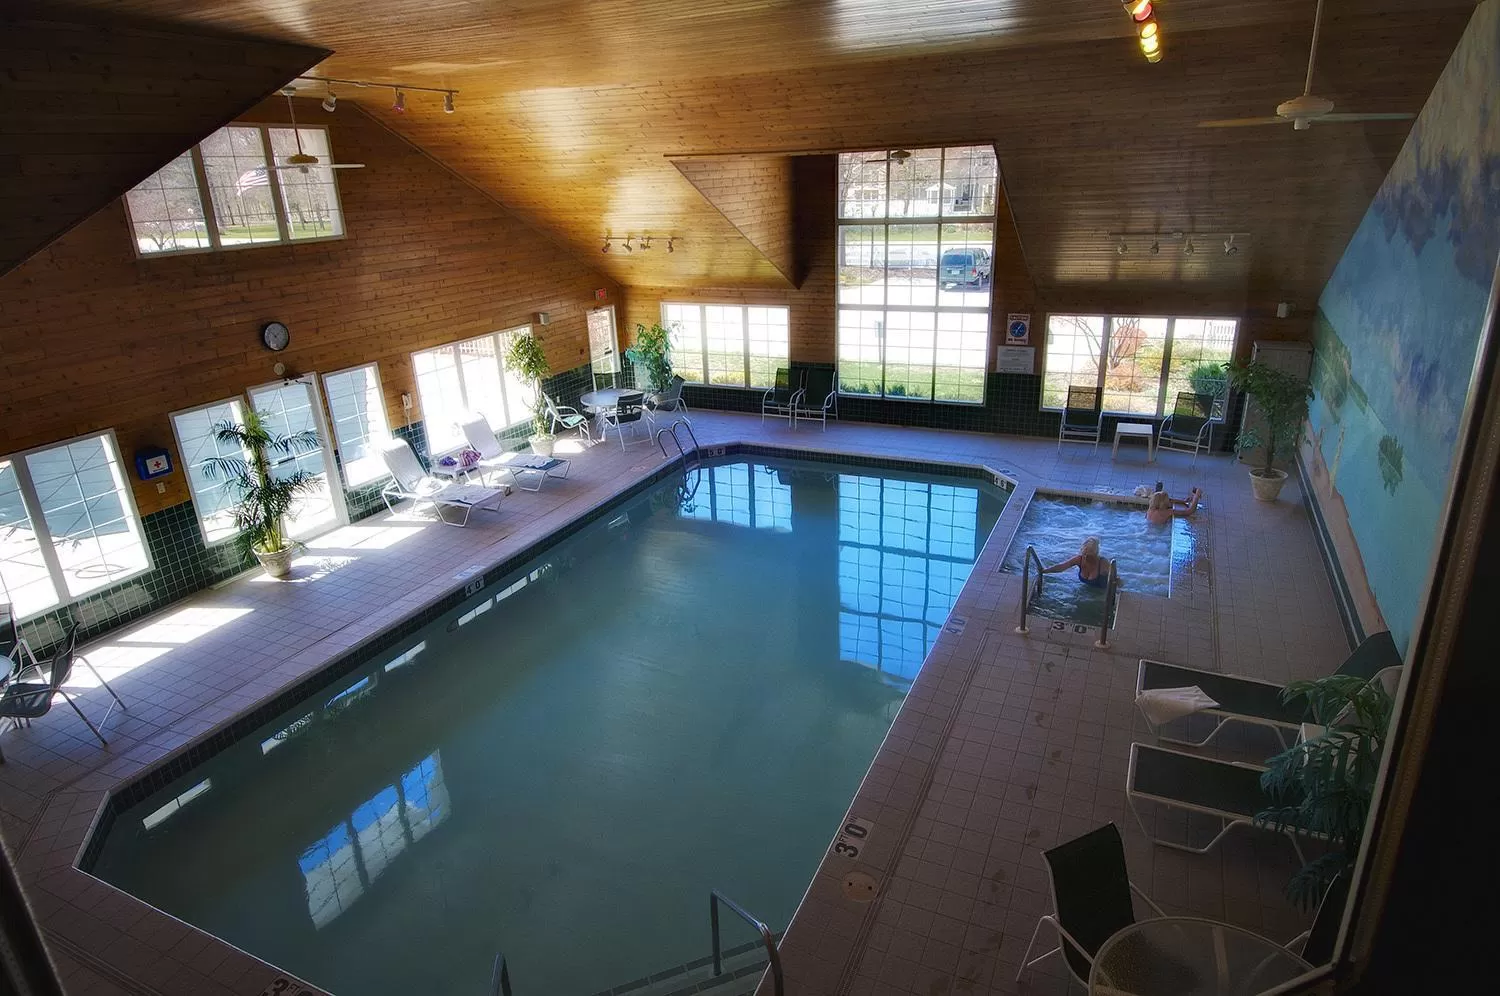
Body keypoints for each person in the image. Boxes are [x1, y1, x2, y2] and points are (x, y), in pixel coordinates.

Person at [1042, 536, 1109, 588]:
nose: (1086, 557)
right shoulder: (1079, 559)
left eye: (1090, 555)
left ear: (1096, 553)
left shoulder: (1103, 563)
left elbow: (1116, 581)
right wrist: (1045, 571)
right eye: (1085, 554)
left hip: (1101, 593)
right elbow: (1062, 567)